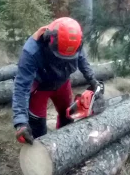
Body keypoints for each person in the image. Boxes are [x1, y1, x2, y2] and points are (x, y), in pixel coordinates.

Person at [12, 17, 100, 145]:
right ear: (49, 40)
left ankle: (63, 147)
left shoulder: (74, 41)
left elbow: (82, 60)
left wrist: (92, 80)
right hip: (40, 87)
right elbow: (21, 87)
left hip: (63, 84)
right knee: (38, 127)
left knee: (68, 116)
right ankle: (39, 154)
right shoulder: (32, 51)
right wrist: (20, 122)